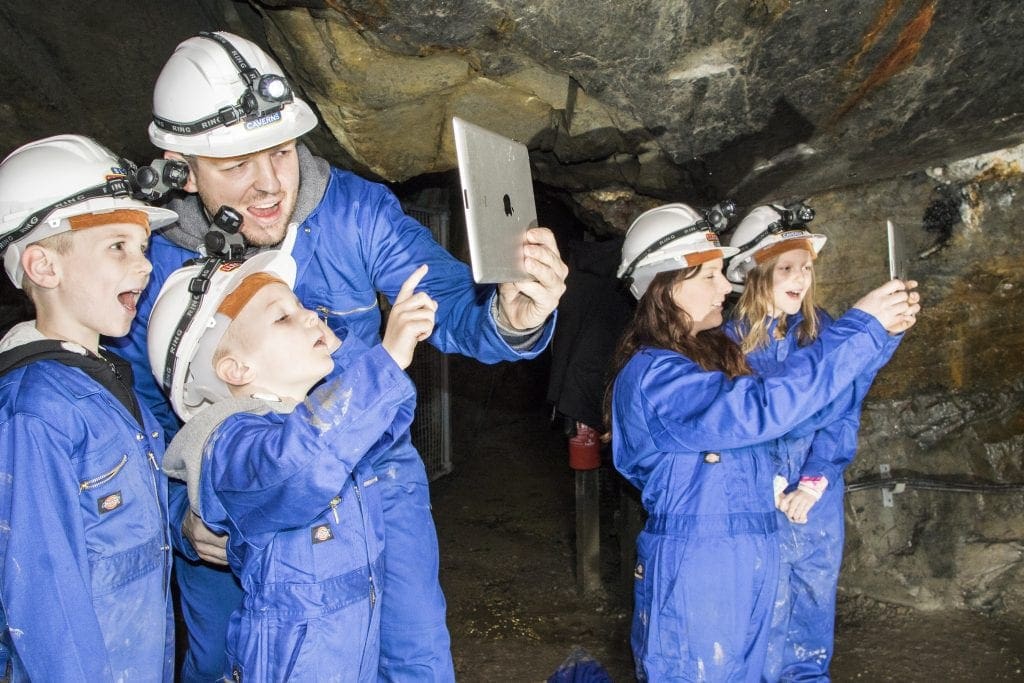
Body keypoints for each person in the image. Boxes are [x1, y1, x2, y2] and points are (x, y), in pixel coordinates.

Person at [106, 30, 567, 681]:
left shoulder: (353, 214)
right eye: (237, 165)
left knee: (410, 658)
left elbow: (448, 302)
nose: (269, 185)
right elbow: (139, 414)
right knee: (223, 663)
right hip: (232, 501)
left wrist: (514, 315)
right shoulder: (147, 264)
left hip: (372, 477)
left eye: (283, 151)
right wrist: (180, 506)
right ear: (179, 163)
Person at [605, 203, 919, 681]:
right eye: (710, 275)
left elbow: (823, 402)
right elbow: (759, 408)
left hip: (751, 551)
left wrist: (880, 335)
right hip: (700, 564)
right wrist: (863, 327)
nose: (726, 285)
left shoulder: (710, 358)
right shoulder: (656, 376)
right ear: (665, 285)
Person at [145, 248, 436, 681]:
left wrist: (359, 357)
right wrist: (384, 361)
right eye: (282, 317)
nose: (310, 317)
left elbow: (387, 421)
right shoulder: (230, 441)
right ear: (235, 368)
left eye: (302, 306)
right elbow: (295, 465)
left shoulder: (312, 427)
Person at [0, 134, 178, 680]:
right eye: (117, 246)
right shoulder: (36, 412)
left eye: (143, 247)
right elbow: (42, 590)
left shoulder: (108, 381)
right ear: (44, 267)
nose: (144, 265)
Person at [724, 203, 905, 681]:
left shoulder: (817, 328)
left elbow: (843, 406)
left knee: (810, 607)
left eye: (806, 267)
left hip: (812, 501)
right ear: (753, 272)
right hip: (755, 502)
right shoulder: (723, 343)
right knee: (755, 613)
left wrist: (815, 479)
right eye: (786, 267)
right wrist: (769, 486)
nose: (801, 278)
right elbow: (738, 426)